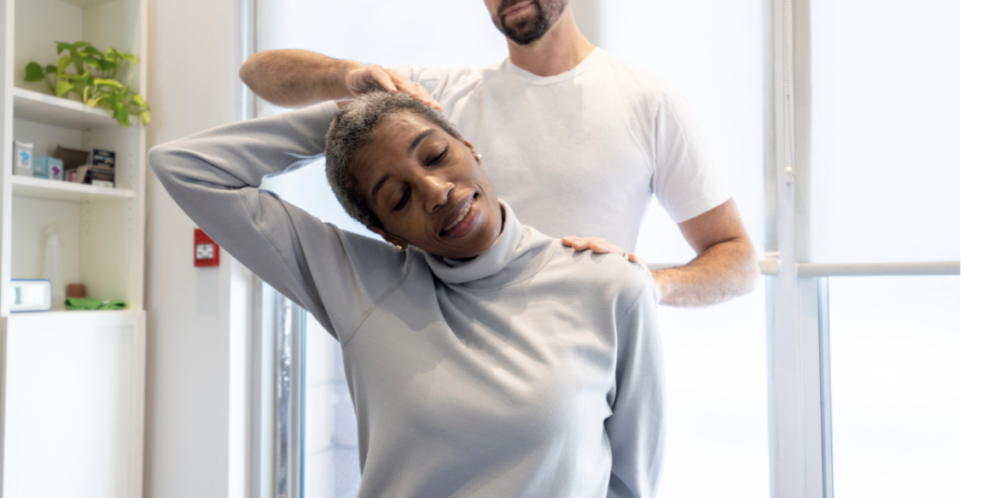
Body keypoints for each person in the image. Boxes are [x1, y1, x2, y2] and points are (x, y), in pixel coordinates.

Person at [148, 92, 665, 498]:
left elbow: (624, 494)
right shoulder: (362, 284)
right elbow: (186, 168)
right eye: (398, 197)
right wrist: (345, 117)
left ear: (471, 146)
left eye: (438, 154)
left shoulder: (609, 286)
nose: (437, 191)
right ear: (387, 233)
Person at [239, 0, 760, 309]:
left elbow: (737, 262)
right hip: (453, 371)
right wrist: (345, 76)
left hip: (585, 380)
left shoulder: (648, 103)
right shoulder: (429, 102)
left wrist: (647, 286)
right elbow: (257, 73)